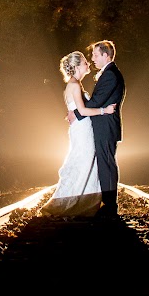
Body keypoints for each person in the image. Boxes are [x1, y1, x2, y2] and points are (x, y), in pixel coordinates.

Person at [41, 51, 116, 218]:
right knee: (81, 162)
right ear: (76, 67)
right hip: (82, 130)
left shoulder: (75, 84)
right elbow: (82, 111)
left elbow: (77, 110)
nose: (88, 64)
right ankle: (68, 203)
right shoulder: (74, 85)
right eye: (84, 62)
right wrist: (104, 110)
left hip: (82, 128)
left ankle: (84, 203)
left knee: (86, 163)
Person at [76, 39, 125, 219]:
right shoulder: (109, 73)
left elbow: (98, 101)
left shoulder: (110, 75)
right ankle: (108, 203)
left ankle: (110, 205)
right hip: (104, 126)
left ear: (106, 55)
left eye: (96, 55)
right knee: (105, 164)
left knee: (107, 165)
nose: (93, 58)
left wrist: (77, 112)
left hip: (106, 126)